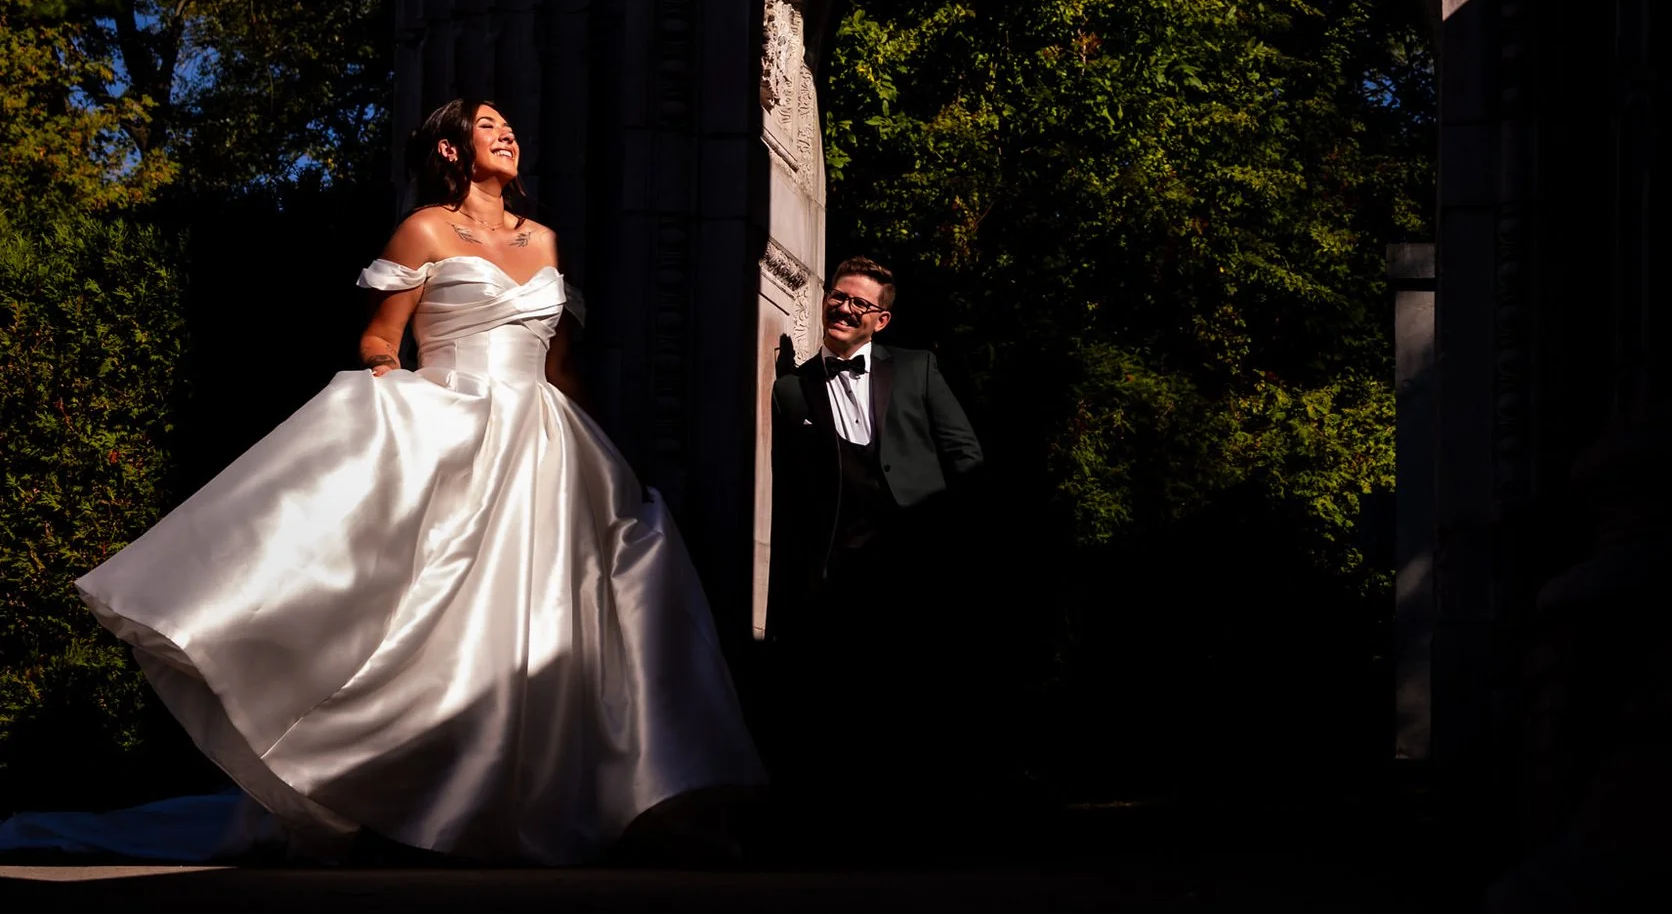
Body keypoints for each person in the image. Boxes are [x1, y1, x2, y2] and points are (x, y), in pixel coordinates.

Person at [57, 99, 765, 863]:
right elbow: (378, 336)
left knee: (561, 621)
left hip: (550, 446)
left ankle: (541, 800)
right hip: (452, 425)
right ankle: (405, 793)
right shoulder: (425, 230)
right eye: (489, 124)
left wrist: (609, 455)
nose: (508, 133)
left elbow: (559, 366)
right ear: (453, 150)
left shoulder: (546, 240)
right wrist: (395, 398)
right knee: (444, 617)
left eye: (510, 125)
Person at [764, 260, 984, 800]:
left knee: (914, 688)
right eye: (838, 297)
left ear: (880, 321)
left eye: (859, 303)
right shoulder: (791, 390)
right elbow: (789, 489)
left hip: (913, 557)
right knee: (842, 693)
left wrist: (954, 539)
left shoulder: (916, 368)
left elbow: (965, 453)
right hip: (836, 565)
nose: (843, 308)